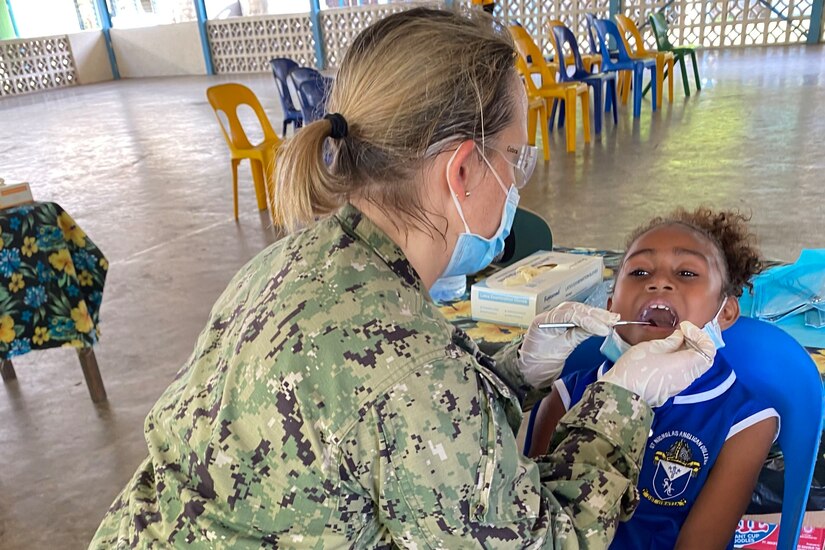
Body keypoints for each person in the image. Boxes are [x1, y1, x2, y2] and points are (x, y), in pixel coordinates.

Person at [90, 9, 716, 548]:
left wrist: (515, 367)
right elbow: (545, 539)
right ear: (464, 169)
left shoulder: (299, 259)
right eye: (515, 156)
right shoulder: (410, 374)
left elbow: (367, 412)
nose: (518, 178)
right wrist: (623, 403)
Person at [527, 208, 779, 549]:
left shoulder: (745, 420)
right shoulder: (567, 395)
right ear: (612, 304)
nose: (658, 281)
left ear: (726, 312)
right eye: (639, 271)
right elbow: (534, 519)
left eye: (687, 272)